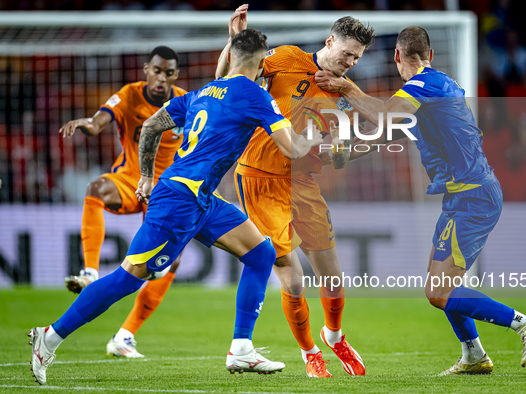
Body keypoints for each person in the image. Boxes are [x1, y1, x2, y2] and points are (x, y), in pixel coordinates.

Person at [29, 29, 323, 385]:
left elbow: (152, 125)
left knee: (261, 254)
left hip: (197, 197)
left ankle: (242, 347)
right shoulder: (256, 94)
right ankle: (49, 337)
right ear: (263, 63)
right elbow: (292, 148)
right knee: (128, 278)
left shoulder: (202, 92)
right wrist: (315, 138)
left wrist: (147, 177)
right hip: (181, 200)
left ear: (230, 57)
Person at [315, 26, 526, 375]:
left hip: (473, 197)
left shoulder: (427, 85)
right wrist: (336, 154)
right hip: (463, 198)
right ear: (430, 54)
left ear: (397, 57)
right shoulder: (429, 92)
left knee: (438, 291)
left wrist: (348, 88)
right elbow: (383, 133)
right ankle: (473, 355)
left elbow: (383, 115)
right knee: (442, 285)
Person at [215, 5, 373, 378]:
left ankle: (334, 336)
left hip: (303, 181)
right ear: (329, 41)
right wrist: (234, 40)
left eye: (357, 57)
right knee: (293, 275)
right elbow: (226, 78)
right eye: (346, 53)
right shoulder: (285, 57)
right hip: (259, 177)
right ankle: (309, 352)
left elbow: (346, 151)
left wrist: (342, 145)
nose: (350, 62)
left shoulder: (344, 90)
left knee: (332, 276)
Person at [59, 46, 187, 358]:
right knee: (97, 188)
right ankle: (90, 271)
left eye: (168, 73)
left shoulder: (186, 100)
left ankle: (125, 336)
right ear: (146, 69)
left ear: (175, 75)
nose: (161, 78)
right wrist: (86, 124)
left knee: (170, 262)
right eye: (157, 70)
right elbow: (98, 122)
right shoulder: (129, 95)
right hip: (131, 179)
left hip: (168, 190)